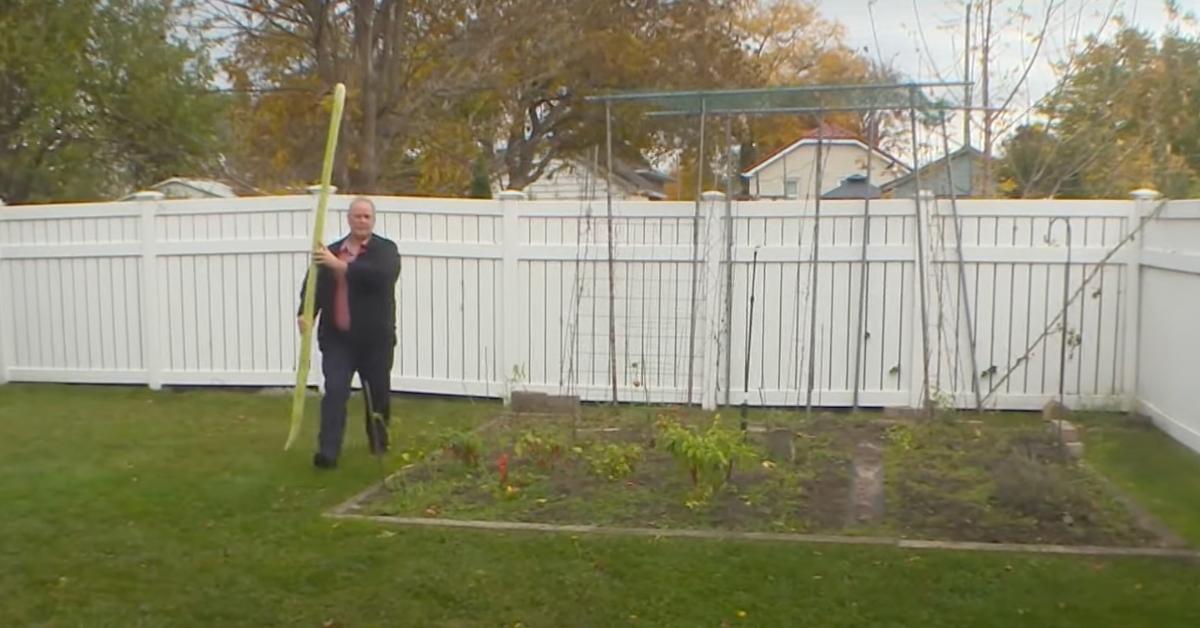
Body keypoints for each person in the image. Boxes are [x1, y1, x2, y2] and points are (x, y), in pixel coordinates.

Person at [297, 196, 401, 469]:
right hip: (337, 339)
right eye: (357, 216)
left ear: (373, 220)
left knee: (377, 394)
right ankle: (328, 452)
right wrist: (305, 313)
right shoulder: (330, 252)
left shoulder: (385, 250)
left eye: (367, 216)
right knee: (335, 392)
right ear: (349, 219)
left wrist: (340, 266)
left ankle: (378, 441)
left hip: (374, 341)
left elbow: (381, 277)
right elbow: (313, 286)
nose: (362, 221)